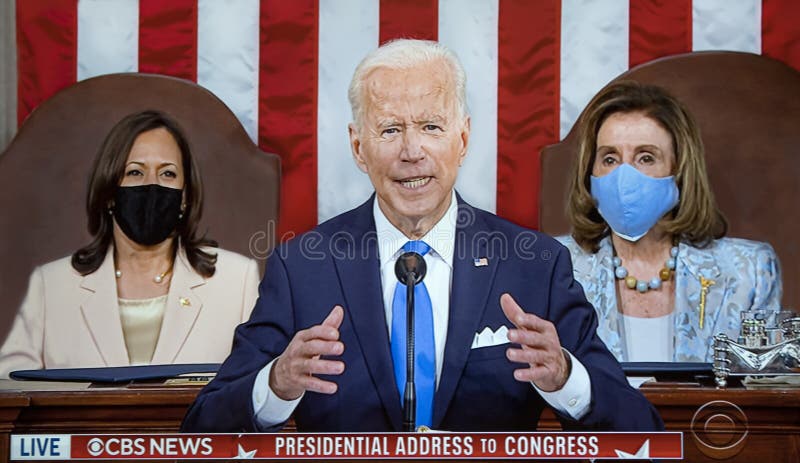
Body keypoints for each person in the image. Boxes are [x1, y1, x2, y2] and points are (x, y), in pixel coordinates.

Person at [182, 40, 662, 432]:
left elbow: (641, 429)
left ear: (463, 138)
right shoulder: (302, 267)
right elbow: (202, 427)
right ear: (357, 147)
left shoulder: (534, 263)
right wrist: (277, 384)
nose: (412, 152)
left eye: (431, 127)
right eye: (390, 130)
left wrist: (566, 379)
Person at [0, 110, 260, 376]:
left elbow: (255, 388)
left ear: (185, 197)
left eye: (168, 174)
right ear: (110, 192)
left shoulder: (237, 280)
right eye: (135, 172)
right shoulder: (51, 286)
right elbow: (10, 388)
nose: (151, 185)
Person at [557, 81, 782, 363]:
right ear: (590, 171)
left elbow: (764, 394)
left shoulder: (750, 272)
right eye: (610, 158)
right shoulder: (556, 268)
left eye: (646, 157)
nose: (624, 177)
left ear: (679, 170)